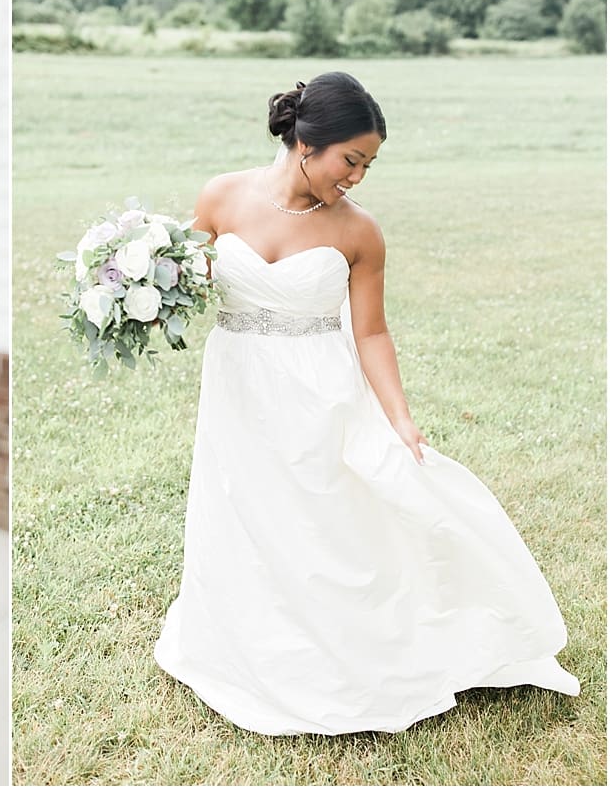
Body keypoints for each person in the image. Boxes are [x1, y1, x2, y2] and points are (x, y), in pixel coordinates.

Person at [153, 72, 579, 736]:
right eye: (351, 159)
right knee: (244, 508)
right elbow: (174, 274)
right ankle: (248, 639)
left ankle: (342, 647)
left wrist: (400, 417)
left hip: (319, 392)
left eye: (368, 165)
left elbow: (373, 331)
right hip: (237, 387)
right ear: (307, 141)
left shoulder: (359, 232)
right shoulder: (221, 196)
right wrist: (130, 290)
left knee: (321, 520)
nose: (357, 177)